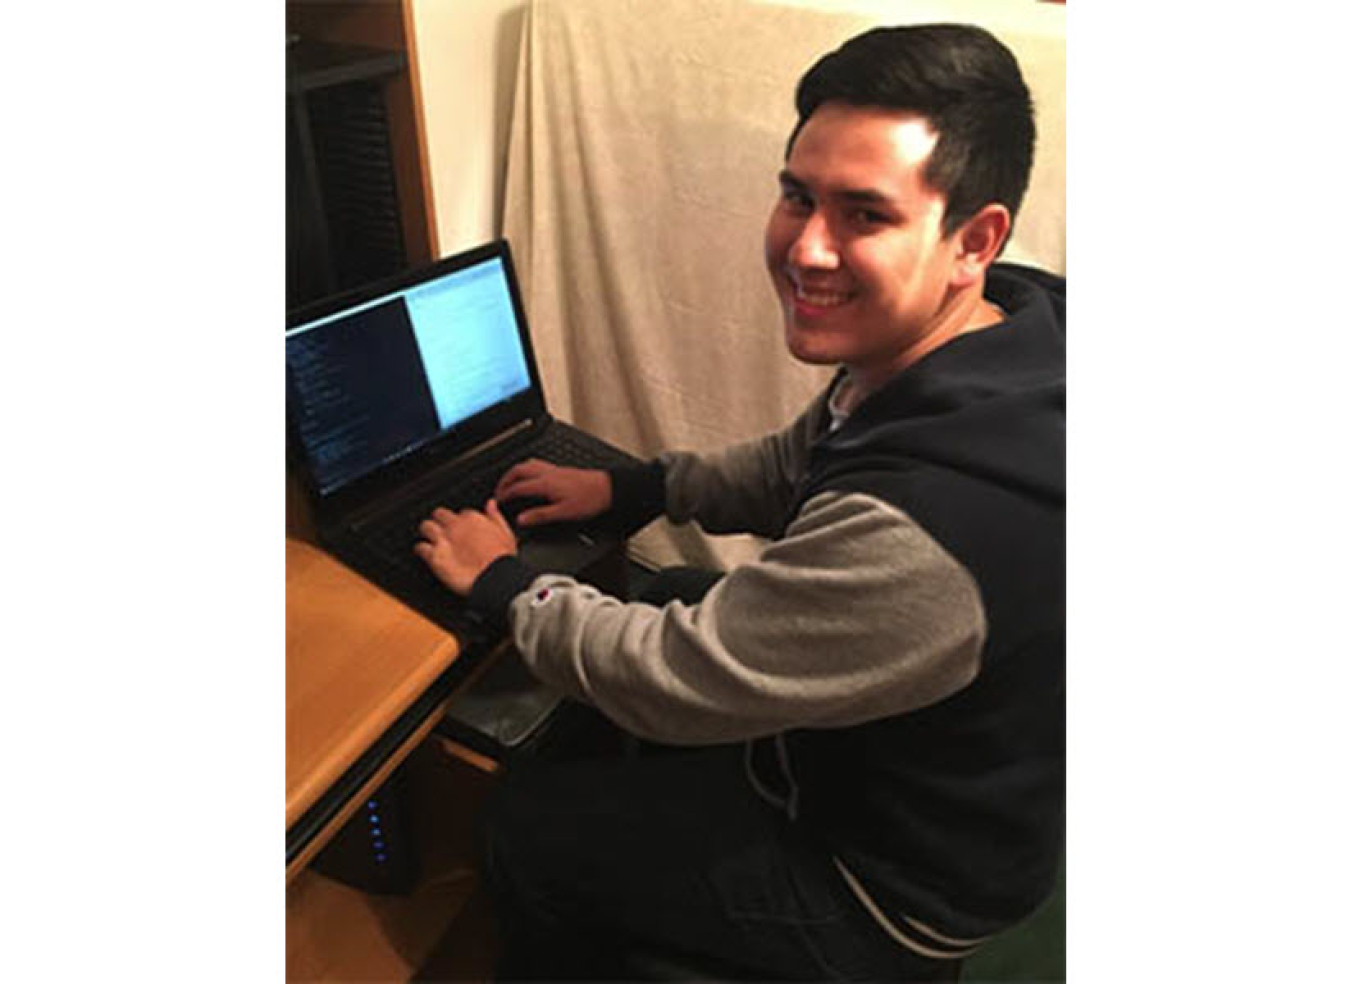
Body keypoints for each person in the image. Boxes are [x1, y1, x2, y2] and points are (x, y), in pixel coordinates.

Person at [416, 22, 1064, 982]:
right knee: (670, 582)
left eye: (864, 215)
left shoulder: (935, 522)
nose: (807, 249)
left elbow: (680, 678)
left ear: (975, 238)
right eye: (798, 196)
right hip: (934, 785)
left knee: (524, 821)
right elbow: (798, 462)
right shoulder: (997, 327)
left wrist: (505, 586)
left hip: (885, 888)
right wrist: (639, 485)